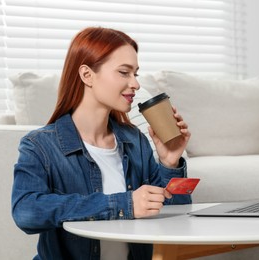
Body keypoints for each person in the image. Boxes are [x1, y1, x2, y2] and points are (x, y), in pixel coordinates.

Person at [11, 27, 192, 260]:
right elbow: (25, 212)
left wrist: (170, 162)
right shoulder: (40, 146)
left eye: (136, 73)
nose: (135, 84)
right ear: (87, 75)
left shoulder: (134, 140)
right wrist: (123, 204)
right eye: (124, 72)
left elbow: (176, 216)